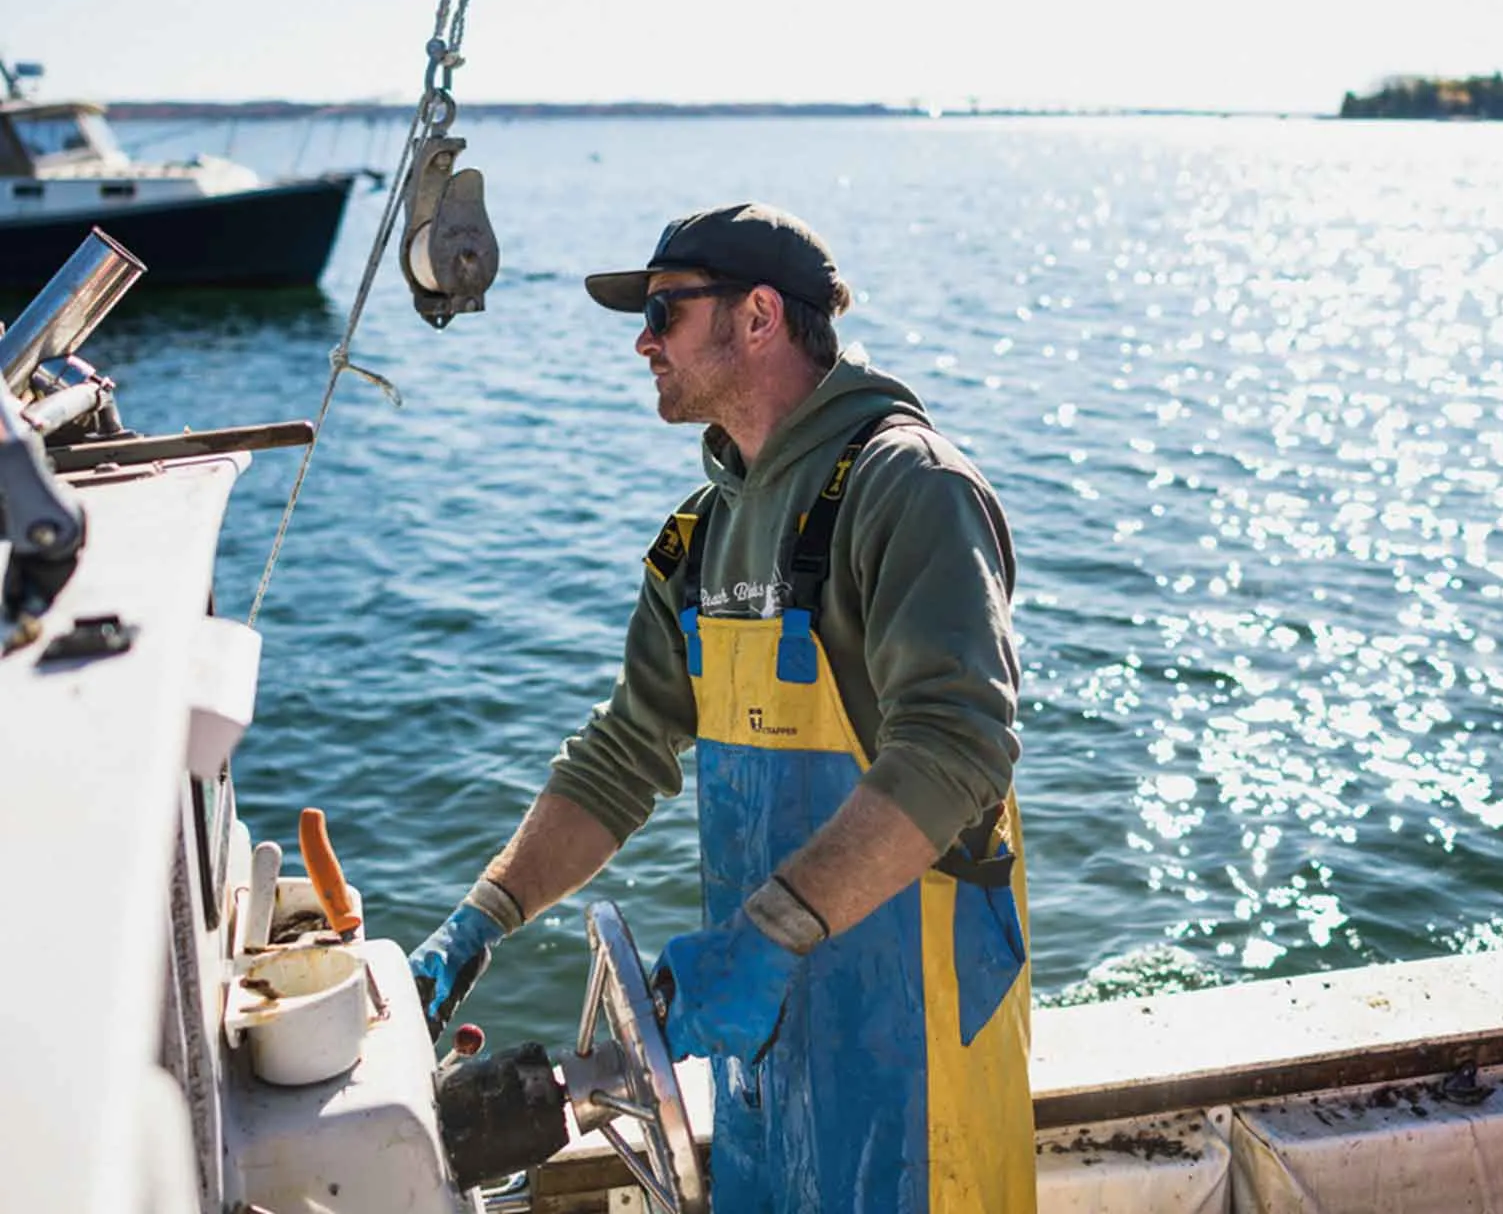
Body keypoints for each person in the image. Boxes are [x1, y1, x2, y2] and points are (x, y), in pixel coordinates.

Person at [410, 202, 1035, 1212]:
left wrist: (769, 932)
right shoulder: (698, 536)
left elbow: (957, 746)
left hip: (917, 1043)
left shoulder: (907, 487)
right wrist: (478, 923)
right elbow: (623, 752)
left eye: (664, 309)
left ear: (757, 317)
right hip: (762, 1046)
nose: (642, 339)